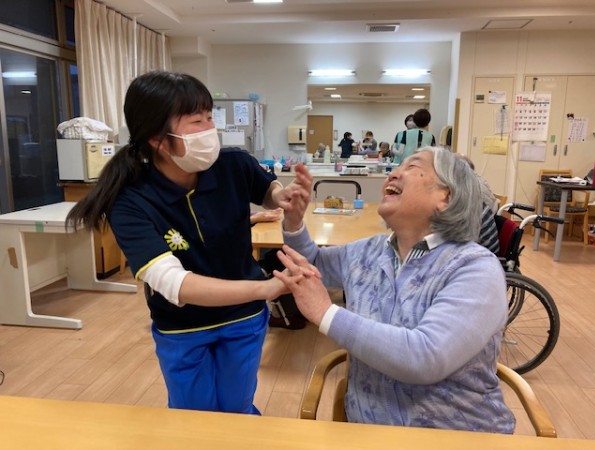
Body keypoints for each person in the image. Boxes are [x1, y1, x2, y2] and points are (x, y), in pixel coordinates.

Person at [65, 70, 310, 415]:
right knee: (192, 417)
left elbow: (267, 189)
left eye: (210, 117)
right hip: (183, 327)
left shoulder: (233, 164)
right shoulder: (130, 200)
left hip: (243, 319)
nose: (210, 129)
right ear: (158, 139)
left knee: (237, 407)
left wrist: (283, 196)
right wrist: (264, 289)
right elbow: (174, 284)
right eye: (197, 121)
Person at [273, 147, 515, 433]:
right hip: (367, 432)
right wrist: (294, 222)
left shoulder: (474, 267)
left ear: (445, 197)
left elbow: (426, 358)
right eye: (398, 166)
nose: (394, 173)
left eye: (412, 167)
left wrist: (327, 314)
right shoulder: (370, 250)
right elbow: (313, 265)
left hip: (458, 436)